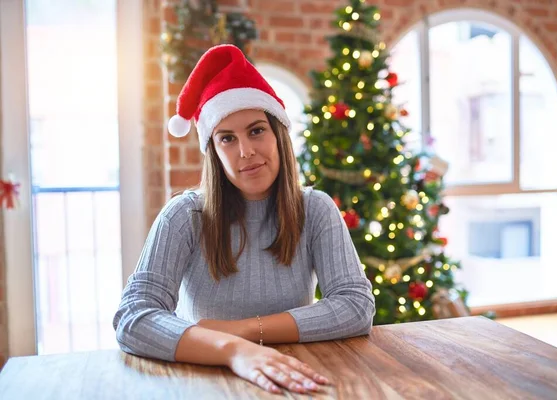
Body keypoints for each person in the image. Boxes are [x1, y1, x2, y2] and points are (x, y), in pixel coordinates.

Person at [113, 44, 376, 395]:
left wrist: (246, 330)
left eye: (256, 130)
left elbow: (356, 306)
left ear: (278, 134)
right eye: (227, 138)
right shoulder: (183, 216)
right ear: (214, 152)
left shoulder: (315, 209)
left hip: (295, 375)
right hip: (208, 378)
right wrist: (232, 349)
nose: (246, 151)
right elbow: (133, 318)